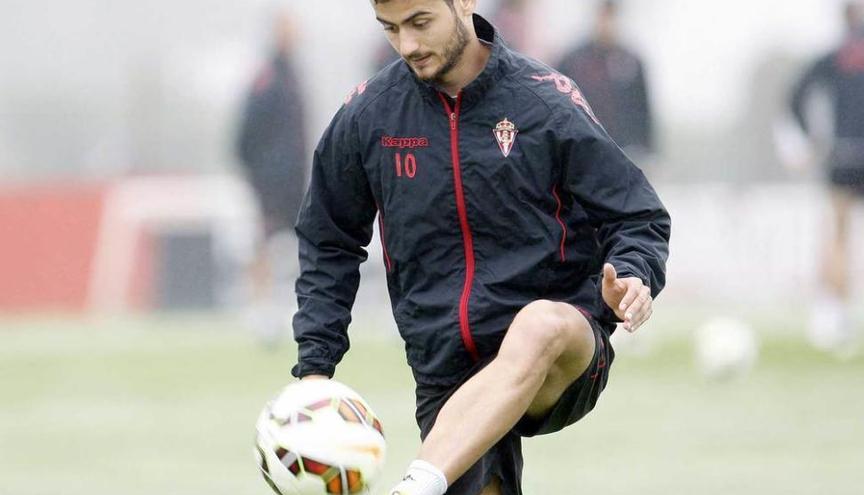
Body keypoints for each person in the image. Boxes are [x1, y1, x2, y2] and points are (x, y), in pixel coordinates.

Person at [292, 1, 671, 494]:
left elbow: (637, 213)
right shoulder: (369, 114)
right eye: (391, 29)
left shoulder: (545, 101)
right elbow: (328, 238)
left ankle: (416, 484)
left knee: (539, 324)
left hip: (560, 353)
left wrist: (633, 273)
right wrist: (315, 371)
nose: (407, 45)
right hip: (446, 371)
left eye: (420, 22)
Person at [789, 1, 864, 356]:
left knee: (839, 234)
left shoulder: (836, 54)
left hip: (845, 154)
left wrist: (809, 137)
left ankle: (835, 316)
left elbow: (796, 94)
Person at [236, 10, 308, 346]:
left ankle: (295, 312)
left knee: (296, 247)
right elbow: (244, 135)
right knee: (263, 245)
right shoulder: (266, 76)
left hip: (295, 180)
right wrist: (260, 175)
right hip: (269, 182)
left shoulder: (292, 72)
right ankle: (260, 313)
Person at [556, 0, 654, 160]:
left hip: (623, 150)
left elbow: (643, 109)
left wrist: (646, 148)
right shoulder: (573, 61)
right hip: (582, 148)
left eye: (611, 17)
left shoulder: (631, 61)